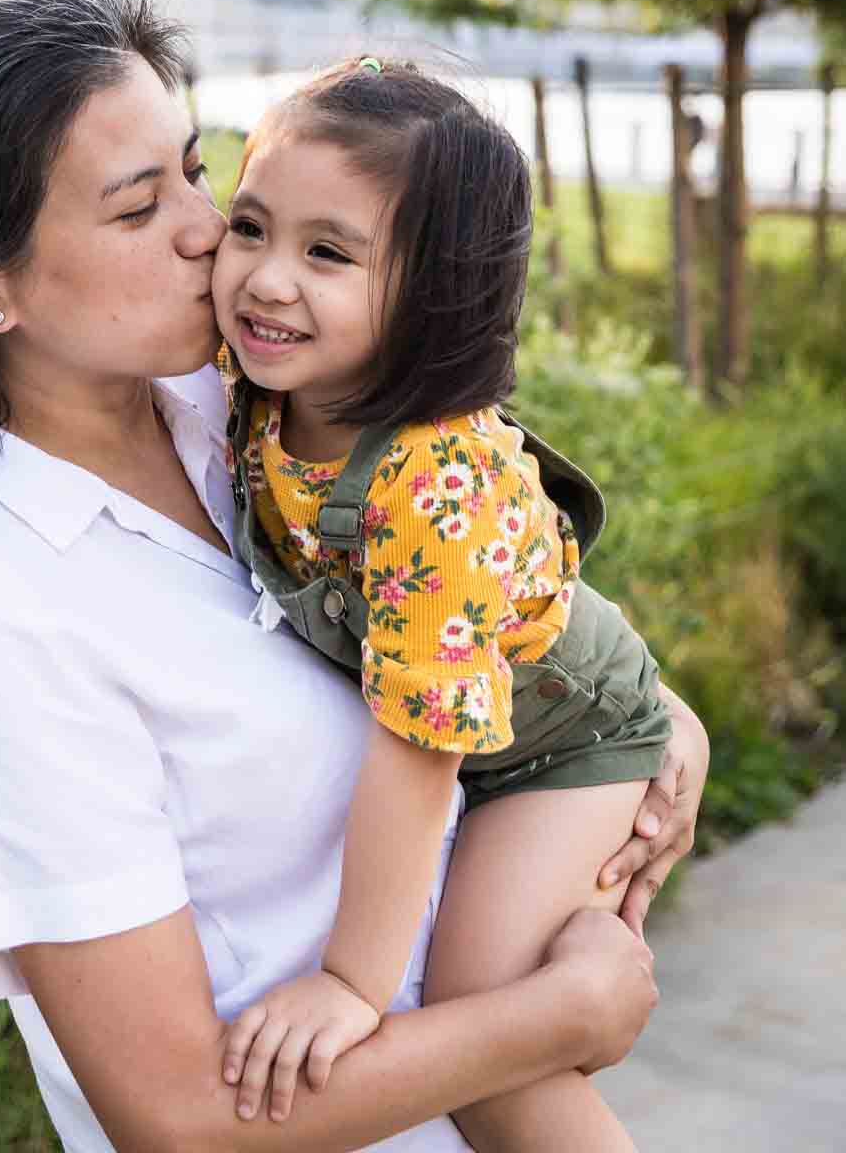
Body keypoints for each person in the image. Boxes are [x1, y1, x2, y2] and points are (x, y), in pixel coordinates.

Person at [0, 0, 707, 1153]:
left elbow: (468, 573)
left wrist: (658, 714)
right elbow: (177, 1119)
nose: (208, 231)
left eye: (196, 169)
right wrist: (557, 1013)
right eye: (134, 208)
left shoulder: (228, 391)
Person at [213, 57, 680, 1151]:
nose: (267, 279)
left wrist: (349, 982)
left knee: (491, 1046)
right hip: (483, 717)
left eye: (327, 252)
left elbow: (417, 751)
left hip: (562, 744)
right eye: (248, 225)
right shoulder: (253, 385)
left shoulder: (433, 482)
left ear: (435, 291)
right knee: (482, 1035)